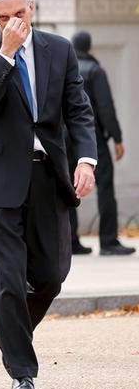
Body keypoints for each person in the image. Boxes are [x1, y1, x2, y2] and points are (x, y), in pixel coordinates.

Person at [0, 0, 97, 389]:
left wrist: (86, 160)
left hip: (48, 176)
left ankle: (13, 332)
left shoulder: (59, 49)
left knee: (52, 276)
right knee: (7, 280)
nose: (12, 22)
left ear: (31, 7)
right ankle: (22, 370)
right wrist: (5, 53)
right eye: (3, 17)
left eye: (18, 14)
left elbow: (78, 109)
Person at [68, 31, 134, 257]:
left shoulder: (65, 67)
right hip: (91, 137)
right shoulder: (95, 71)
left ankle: (71, 241)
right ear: (89, 47)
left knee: (68, 188)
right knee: (105, 187)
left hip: (64, 138)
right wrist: (117, 137)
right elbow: (105, 108)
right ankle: (108, 241)